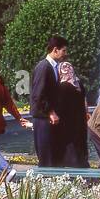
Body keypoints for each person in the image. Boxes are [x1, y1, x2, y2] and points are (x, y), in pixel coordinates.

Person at [29, 36, 66, 167]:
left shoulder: (52, 67)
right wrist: (50, 112)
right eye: (63, 51)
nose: (65, 54)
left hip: (47, 117)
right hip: (43, 117)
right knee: (46, 157)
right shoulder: (44, 67)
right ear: (55, 50)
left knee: (51, 155)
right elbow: (38, 95)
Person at [53, 58, 89, 166]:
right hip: (80, 122)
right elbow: (84, 103)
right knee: (80, 149)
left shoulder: (62, 86)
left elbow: (60, 106)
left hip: (67, 124)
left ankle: (71, 174)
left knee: (69, 150)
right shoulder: (78, 84)